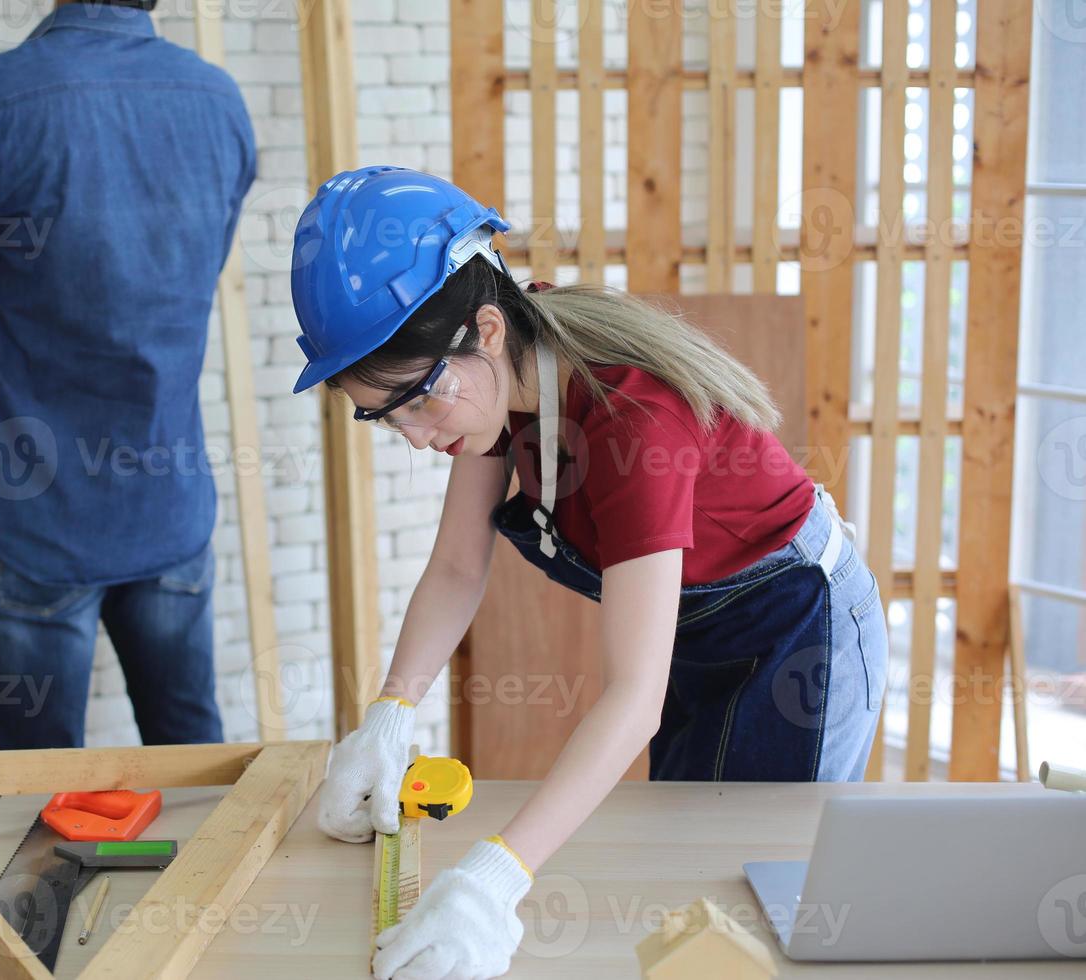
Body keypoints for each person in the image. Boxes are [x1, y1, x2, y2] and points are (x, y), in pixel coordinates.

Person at [289, 166, 890, 979]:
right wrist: (390, 713)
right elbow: (459, 563)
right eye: (384, 416)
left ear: (489, 332)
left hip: (796, 632)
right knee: (686, 872)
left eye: (420, 399)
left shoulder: (633, 425)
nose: (416, 435)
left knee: (754, 908)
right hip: (705, 633)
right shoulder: (503, 381)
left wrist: (491, 884)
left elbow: (632, 699)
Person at [0, 0, 256, 750]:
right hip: (168, 506)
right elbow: (186, 270)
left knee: (34, 818)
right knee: (202, 788)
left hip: (35, 521)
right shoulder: (216, 99)